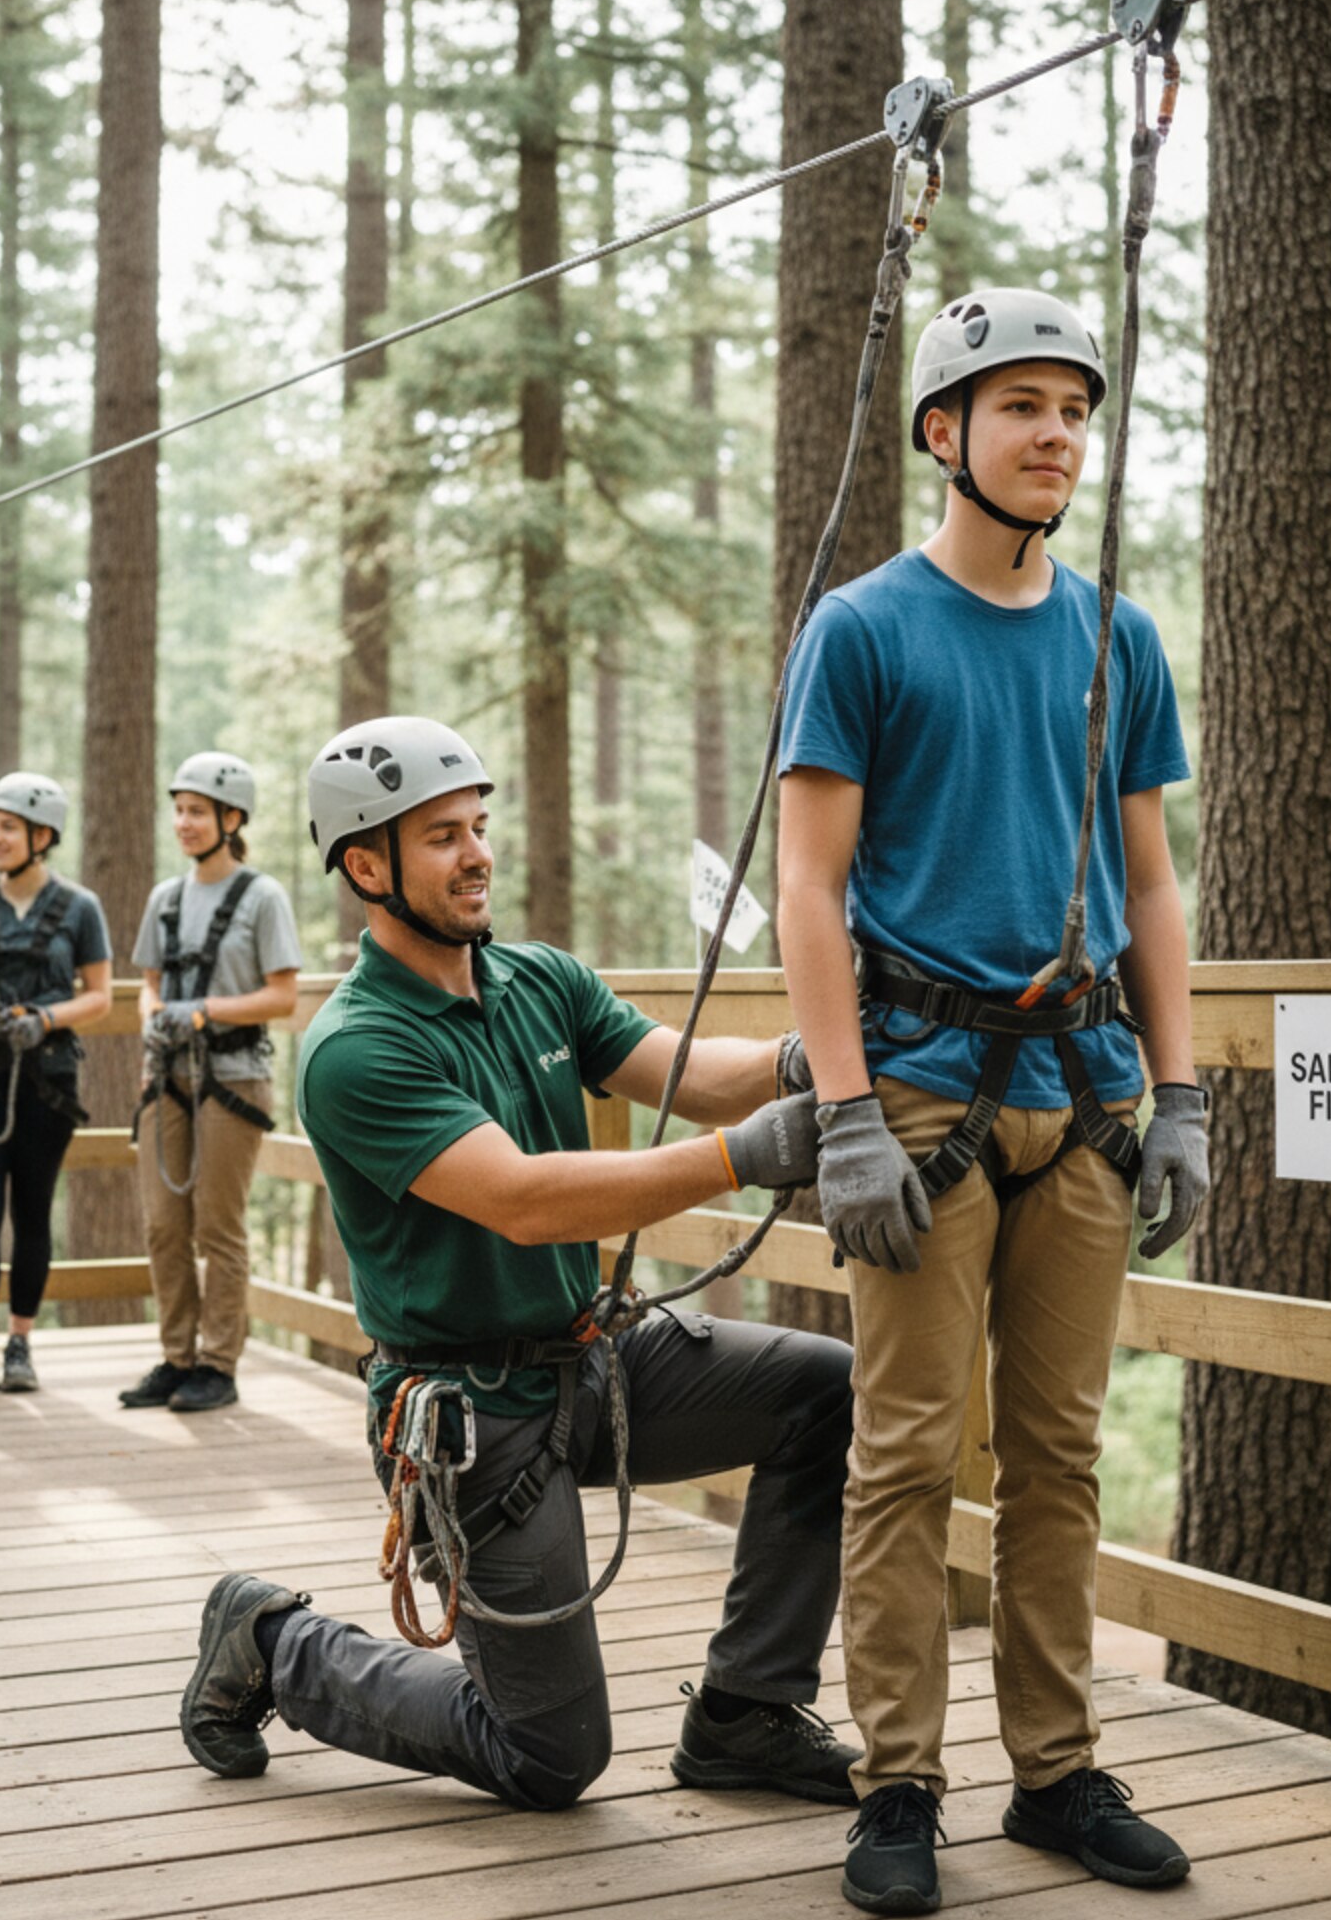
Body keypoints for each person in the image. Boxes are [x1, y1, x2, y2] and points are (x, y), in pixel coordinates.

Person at [175, 716, 854, 1817]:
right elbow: (523, 1200)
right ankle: (273, 1641)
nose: (477, 852)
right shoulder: (356, 1047)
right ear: (364, 864)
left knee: (822, 1389)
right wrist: (746, 1155)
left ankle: (745, 1711)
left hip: (594, 1358)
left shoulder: (538, 979)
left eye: (478, 827)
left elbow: (687, 1070)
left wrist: (801, 1057)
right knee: (547, 1755)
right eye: (441, 835)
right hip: (475, 1412)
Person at [777, 287, 1211, 1916]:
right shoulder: (864, 629)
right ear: (942, 432)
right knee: (899, 1455)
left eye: (1071, 409)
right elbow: (808, 892)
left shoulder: (1118, 638)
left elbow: (1152, 889)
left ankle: (1056, 1766)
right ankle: (895, 1778)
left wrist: (1178, 1092)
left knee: (1058, 1453)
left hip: (1085, 1098)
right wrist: (840, 1114)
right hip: (920, 1094)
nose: (1053, 435)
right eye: (1017, 404)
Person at [119, 753, 302, 1414]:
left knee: (217, 1225)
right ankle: (176, 1357)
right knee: (164, 1224)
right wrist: (156, 1021)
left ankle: (218, 1363)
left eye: (197, 811)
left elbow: (281, 997)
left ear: (231, 818)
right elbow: (147, 987)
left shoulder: (262, 898)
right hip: (167, 1076)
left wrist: (203, 1012)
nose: (184, 823)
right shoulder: (165, 899)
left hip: (233, 1078)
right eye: (179, 810)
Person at [0, 772, 111, 1397]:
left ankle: (22, 1343)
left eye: (7, 827)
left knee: (32, 1215)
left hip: (47, 1082)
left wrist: (46, 1020)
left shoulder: (79, 908)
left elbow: (102, 997)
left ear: (42, 834)